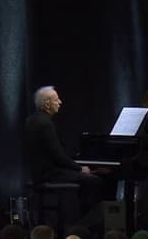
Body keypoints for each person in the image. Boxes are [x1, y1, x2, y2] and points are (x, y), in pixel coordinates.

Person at [25, 86, 102, 221]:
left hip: (39, 173)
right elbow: (59, 157)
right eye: (57, 99)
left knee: (85, 178)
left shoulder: (32, 120)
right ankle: (79, 220)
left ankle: (73, 216)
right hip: (49, 174)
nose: (60, 102)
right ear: (47, 104)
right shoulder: (46, 124)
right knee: (94, 181)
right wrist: (79, 168)